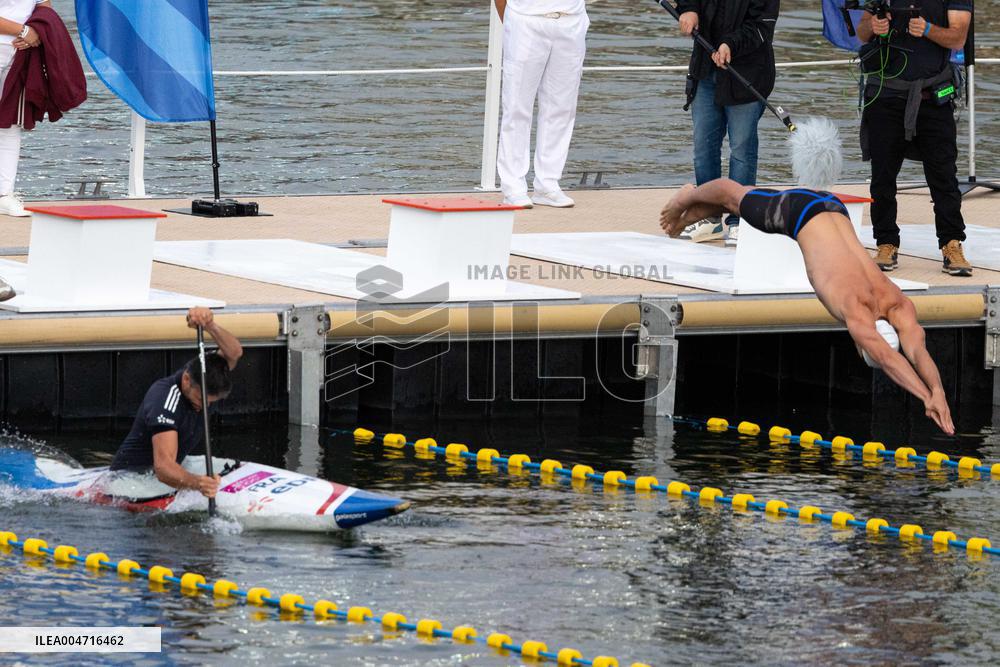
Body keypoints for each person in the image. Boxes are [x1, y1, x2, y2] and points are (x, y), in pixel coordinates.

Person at [660, 179, 955, 434]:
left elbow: (917, 352)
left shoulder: (897, 301)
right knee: (734, 196)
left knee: (747, 204)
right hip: (798, 214)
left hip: (832, 206)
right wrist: (925, 397)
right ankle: (688, 196)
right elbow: (891, 360)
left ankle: (695, 213)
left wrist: (937, 392)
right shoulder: (855, 311)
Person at [856, 3, 973, 276]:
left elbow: (958, 37)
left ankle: (951, 244)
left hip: (933, 97)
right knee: (882, 176)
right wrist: (872, 27)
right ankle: (885, 243)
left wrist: (929, 29)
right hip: (885, 95)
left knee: (944, 176)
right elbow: (862, 32)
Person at [675, 0, 779, 247]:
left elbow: (762, 27)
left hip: (746, 74)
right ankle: (709, 216)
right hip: (704, 70)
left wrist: (730, 44)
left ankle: (740, 220)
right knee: (703, 147)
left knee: (742, 150)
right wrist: (688, 9)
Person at [110, 307, 244, 498]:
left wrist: (210, 325)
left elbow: (234, 353)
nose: (203, 406)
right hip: (134, 479)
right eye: (200, 399)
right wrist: (198, 484)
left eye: (210, 402)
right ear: (186, 380)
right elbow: (163, 468)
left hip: (173, 466)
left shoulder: (205, 376)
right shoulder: (165, 401)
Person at [494, 0, 589, 209]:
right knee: (517, 106)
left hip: (571, 19)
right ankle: (512, 187)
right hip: (525, 19)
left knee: (562, 107)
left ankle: (548, 184)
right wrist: (512, 20)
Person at [0, 0, 46, 217]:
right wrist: (25, 30)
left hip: (18, 55)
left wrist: (37, 30)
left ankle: (3, 195)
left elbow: (44, 6)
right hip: (15, 43)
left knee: (9, 125)